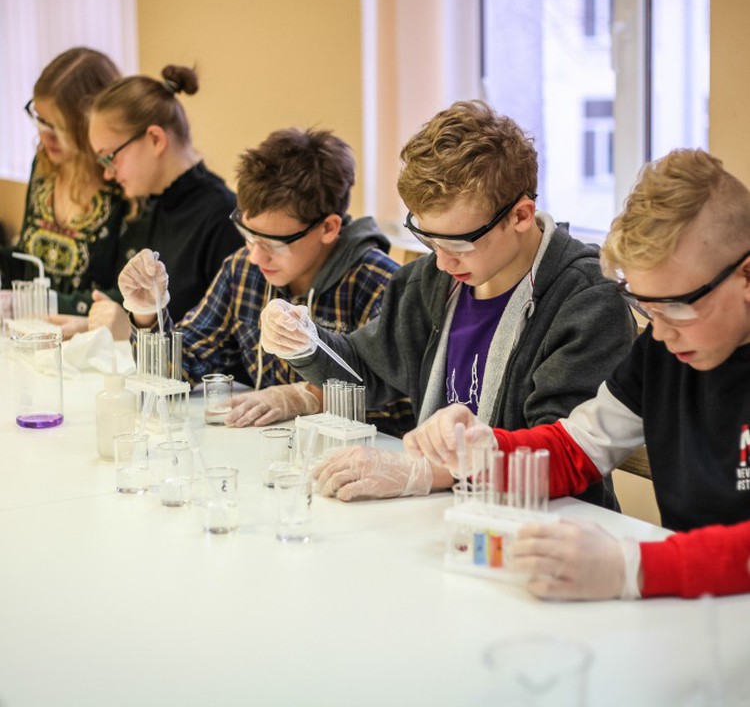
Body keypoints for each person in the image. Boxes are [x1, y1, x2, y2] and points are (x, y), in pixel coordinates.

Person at [403, 148, 750, 600]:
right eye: (645, 306)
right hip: (695, 611)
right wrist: (486, 452)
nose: (659, 334)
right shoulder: (664, 350)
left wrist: (635, 567)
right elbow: (577, 449)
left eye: (678, 308)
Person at [260, 100, 636, 504]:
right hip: (442, 512)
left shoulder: (586, 301)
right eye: (427, 238)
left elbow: (557, 452)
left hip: (540, 520)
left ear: (521, 216)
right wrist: (305, 342)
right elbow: (368, 372)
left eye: (458, 242)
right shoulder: (434, 281)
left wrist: (428, 471)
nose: (441, 259)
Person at [117, 127, 413, 434]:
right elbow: (179, 371)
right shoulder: (243, 271)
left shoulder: (380, 284)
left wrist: (309, 397)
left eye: (274, 244)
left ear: (328, 228)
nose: (257, 257)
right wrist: (147, 313)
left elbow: (402, 409)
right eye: (248, 235)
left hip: (349, 464)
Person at [83, 64, 242, 338]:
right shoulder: (150, 205)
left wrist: (130, 329)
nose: (108, 173)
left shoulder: (222, 218)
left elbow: (226, 347)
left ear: (155, 139)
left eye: (110, 157)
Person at [2, 47, 130, 319]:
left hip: (91, 349)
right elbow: (27, 258)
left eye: (59, 128)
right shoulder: (43, 166)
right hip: (30, 336)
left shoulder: (125, 183)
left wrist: (34, 302)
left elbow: (125, 296)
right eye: (40, 120)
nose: (45, 137)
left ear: (90, 123)